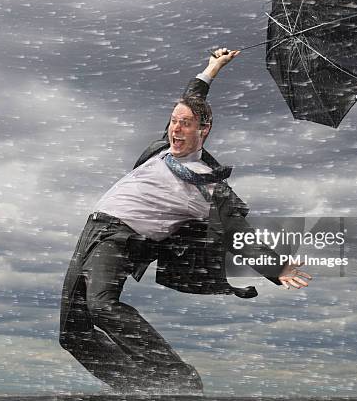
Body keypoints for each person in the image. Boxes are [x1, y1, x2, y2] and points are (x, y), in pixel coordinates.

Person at [59, 48, 311, 394]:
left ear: (203, 131)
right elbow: (192, 97)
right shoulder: (162, 149)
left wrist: (277, 269)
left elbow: (238, 233)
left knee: (101, 305)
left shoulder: (208, 184)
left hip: (122, 239)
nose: (176, 128)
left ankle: (179, 380)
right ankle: (143, 388)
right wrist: (213, 67)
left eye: (185, 123)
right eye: (173, 120)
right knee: (71, 333)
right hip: (91, 233)